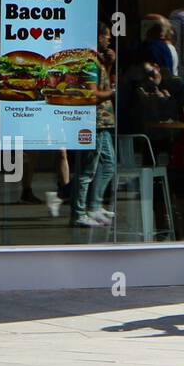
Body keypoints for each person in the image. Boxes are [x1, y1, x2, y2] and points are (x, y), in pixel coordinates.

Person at [72, 24, 118, 229]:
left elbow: (101, 85)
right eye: (106, 36)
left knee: (108, 164)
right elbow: (92, 95)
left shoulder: (97, 60)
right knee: (87, 170)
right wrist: (113, 93)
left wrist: (108, 66)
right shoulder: (88, 62)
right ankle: (79, 212)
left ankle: (94, 206)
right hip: (94, 122)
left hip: (104, 121)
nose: (109, 40)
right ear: (98, 37)